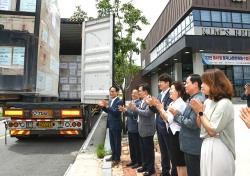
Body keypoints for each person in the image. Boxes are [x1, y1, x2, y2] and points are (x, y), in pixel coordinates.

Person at [190, 68, 235, 176]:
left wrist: (201, 112)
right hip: (206, 144)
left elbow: (213, 130)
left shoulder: (225, 103)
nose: (201, 86)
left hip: (219, 146)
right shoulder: (208, 101)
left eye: (204, 83)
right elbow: (200, 125)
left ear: (214, 83)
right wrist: (198, 112)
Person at [168, 74, 205, 176]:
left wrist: (177, 115)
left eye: (187, 83)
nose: (185, 85)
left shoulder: (197, 100)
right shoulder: (193, 99)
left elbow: (192, 124)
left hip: (192, 145)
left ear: (195, 84)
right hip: (189, 144)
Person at [155, 81, 187, 176]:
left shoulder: (179, 103)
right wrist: (161, 110)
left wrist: (161, 109)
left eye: (172, 89)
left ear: (179, 92)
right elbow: (165, 119)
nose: (170, 91)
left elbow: (169, 119)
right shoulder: (173, 102)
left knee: (179, 162)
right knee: (175, 160)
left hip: (177, 135)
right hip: (172, 133)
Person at [147, 73, 176, 176]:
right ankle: (165, 171)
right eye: (158, 81)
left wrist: (159, 107)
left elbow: (167, 110)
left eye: (161, 82)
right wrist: (151, 105)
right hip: (159, 127)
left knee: (171, 152)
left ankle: (174, 172)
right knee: (163, 152)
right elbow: (157, 110)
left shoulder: (171, 95)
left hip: (168, 127)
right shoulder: (160, 94)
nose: (159, 83)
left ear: (167, 83)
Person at [129, 83, 156, 176]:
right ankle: (145, 165)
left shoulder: (150, 100)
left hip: (148, 129)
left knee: (149, 151)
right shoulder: (142, 100)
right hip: (141, 128)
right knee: (143, 149)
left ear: (145, 91)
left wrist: (135, 109)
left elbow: (147, 113)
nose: (139, 92)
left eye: (140, 90)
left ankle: (151, 169)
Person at [97, 86, 123, 166]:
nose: (111, 93)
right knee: (112, 142)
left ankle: (117, 158)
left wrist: (107, 106)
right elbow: (108, 111)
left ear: (117, 92)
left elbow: (115, 112)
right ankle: (113, 155)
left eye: (113, 91)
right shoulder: (111, 100)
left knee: (117, 142)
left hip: (116, 124)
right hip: (111, 124)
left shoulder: (119, 101)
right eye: (110, 91)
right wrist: (102, 106)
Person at [118, 88, 142, 168]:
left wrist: (125, 111)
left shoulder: (139, 103)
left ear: (139, 95)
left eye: (135, 93)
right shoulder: (131, 102)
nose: (133, 95)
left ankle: (139, 161)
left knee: (136, 146)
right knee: (131, 145)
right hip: (130, 127)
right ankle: (133, 160)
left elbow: (134, 114)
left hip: (135, 128)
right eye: (132, 93)